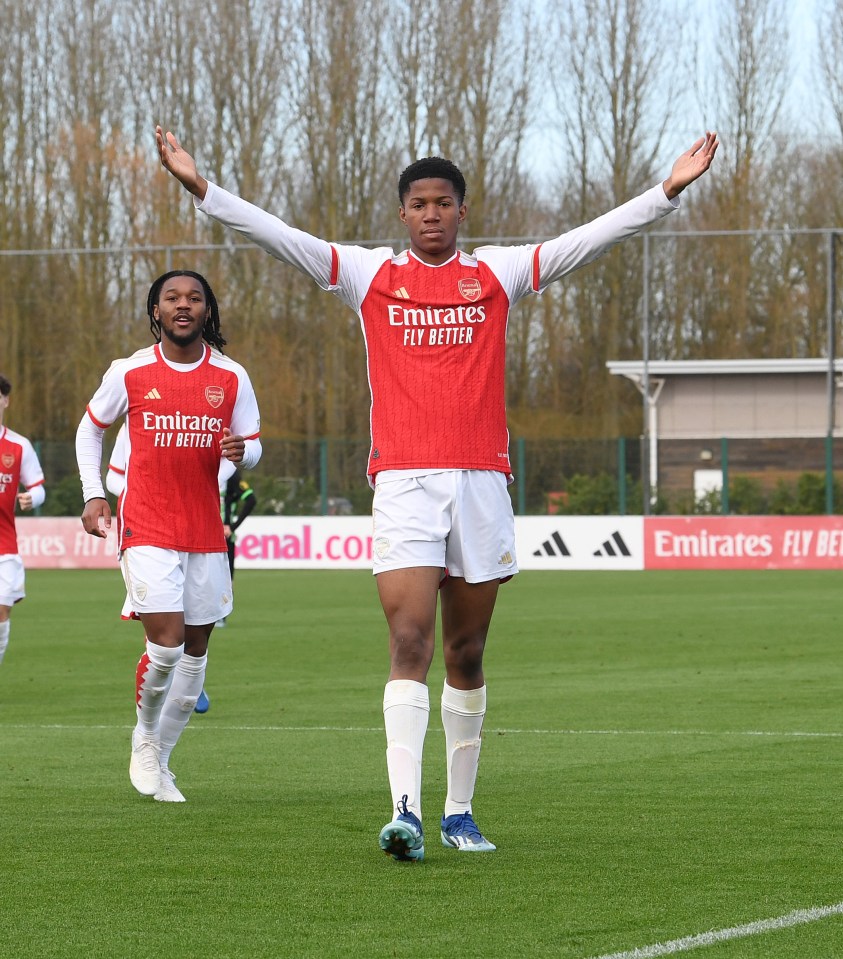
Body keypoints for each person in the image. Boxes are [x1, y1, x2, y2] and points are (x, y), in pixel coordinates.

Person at [156, 125, 718, 858]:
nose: (430, 214)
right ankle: (405, 811)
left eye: (443, 203)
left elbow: (590, 238)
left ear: (461, 211)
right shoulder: (367, 276)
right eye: (418, 203)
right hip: (403, 482)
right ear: (401, 214)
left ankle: (460, 810)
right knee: (408, 638)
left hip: (482, 482)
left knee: (466, 650)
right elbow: (277, 235)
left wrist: (665, 192)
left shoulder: (498, 273)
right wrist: (203, 189)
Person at [76, 270, 261, 802]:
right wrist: (94, 495)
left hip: (204, 528)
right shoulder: (130, 371)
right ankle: (142, 739)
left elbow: (252, 443)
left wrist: (241, 453)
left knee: (197, 652)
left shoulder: (231, 377)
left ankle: (162, 756)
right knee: (168, 642)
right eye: (172, 298)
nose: (184, 305)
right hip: (147, 525)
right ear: (155, 311)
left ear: (208, 310)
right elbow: (90, 428)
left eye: (194, 298)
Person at [0, 375, 46, 670]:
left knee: (1, 613)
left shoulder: (19, 446)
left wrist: (34, 498)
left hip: (4, 546)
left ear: (5, 401)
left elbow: (39, 486)